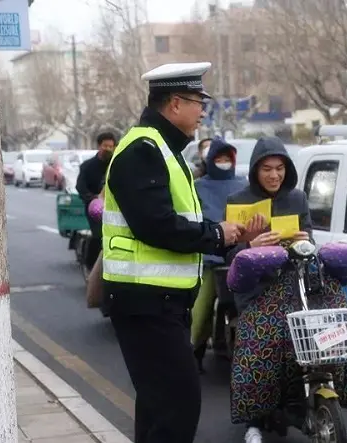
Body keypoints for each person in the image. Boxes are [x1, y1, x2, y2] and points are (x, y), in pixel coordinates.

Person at [101, 62, 244, 443]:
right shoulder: (143, 151)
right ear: (175, 103)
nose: (203, 111)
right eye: (199, 102)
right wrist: (215, 234)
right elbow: (157, 225)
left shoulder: (163, 149)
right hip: (146, 303)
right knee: (177, 408)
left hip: (160, 303)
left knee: (158, 408)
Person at [226, 137, 347, 443]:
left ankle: (329, 403)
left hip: (297, 281)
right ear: (256, 172)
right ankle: (254, 421)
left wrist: (303, 240)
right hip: (259, 288)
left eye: (280, 168)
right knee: (261, 341)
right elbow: (230, 256)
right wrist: (250, 245)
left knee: (337, 325)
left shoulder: (297, 199)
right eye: (267, 169)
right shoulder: (239, 201)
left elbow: (309, 242)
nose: (274, 175)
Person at [190, 137, 247, 371]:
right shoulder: (198, 186)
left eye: (227, 159)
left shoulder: (244, 185)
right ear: (210, 161)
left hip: (240, 257)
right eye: (219, 159)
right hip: (208, 258)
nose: (223, 163)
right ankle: (195, 353)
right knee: (199, 312)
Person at [76, 132, 117, 272]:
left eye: (111, 146)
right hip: (95, 209)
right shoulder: (87, 166)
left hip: (113, 208)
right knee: (99, 235)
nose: (108, 149)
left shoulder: (116, 165)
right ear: (99, 146)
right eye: (105, 146)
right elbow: (80, 186)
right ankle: (91, 265)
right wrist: (92, 198)